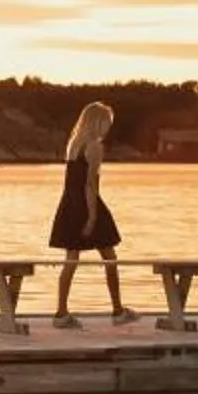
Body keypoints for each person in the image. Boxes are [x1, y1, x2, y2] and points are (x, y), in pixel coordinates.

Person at [49, 100, 135, 327]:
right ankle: (117, 311)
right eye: (107, 123)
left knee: (71, 259)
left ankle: (61, 313)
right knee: (110, 258)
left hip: (69, 202)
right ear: (99, 123)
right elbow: (90, 184)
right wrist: (92, 216)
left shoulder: (73, 145)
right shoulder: (95, 146)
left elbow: (74, 182)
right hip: (86, 204)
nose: (108, 127)